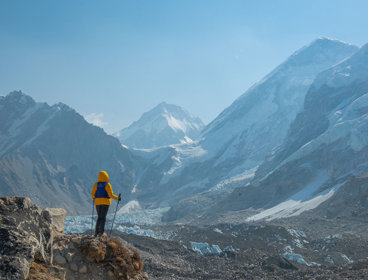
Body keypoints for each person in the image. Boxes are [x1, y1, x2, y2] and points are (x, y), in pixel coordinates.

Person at [91, 170, 121, 236]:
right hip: (105, 203)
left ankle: (96, 232)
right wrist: (118, 198)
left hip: (97, 203)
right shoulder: (107, 185)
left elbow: (92, 194)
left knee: (99, 217)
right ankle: (101, 232)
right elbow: (111, 195)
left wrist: (96, 197)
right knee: (103, 218)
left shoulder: (96, 184)